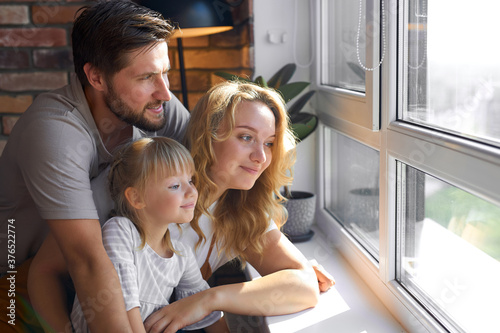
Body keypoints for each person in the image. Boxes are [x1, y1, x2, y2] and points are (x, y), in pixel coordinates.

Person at [0, 1, 189, 331]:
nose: (165, 92)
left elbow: (216, 164)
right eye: (146, 77)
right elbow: (86, 261)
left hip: (97, 282)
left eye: (165, 72)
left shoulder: (153, 106)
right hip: (19, 291)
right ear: (96, 77)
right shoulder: (56, 133)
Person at [143, 81, 335, 332]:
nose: (261, 157)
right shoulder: (162, 197)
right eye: (246, 137)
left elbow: (305, 287)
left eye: (268, 143)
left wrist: (210, 299)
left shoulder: (241, 210)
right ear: (208, 135)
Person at [70, 137, 228, 333]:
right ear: (137, 198)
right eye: (175, 186)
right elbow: (126, 307)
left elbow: (205, 309)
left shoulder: (180, 253)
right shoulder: (120, 231)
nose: (192, 192)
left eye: (190, 180)